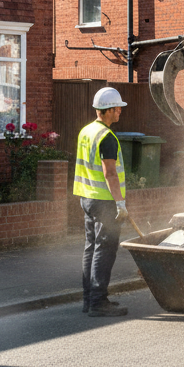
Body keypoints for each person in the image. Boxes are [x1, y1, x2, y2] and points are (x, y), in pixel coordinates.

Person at [74, 87, 131, 317]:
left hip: (87, 198)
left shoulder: (86, 131)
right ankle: (98, 302)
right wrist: (120, 203)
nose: (120, 112)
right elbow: (110, 174)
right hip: (105, 202)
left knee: (91, 248)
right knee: (105, 250)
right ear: (108, 110)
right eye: (118, 108)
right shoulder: (107, 137)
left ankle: (90, 299)